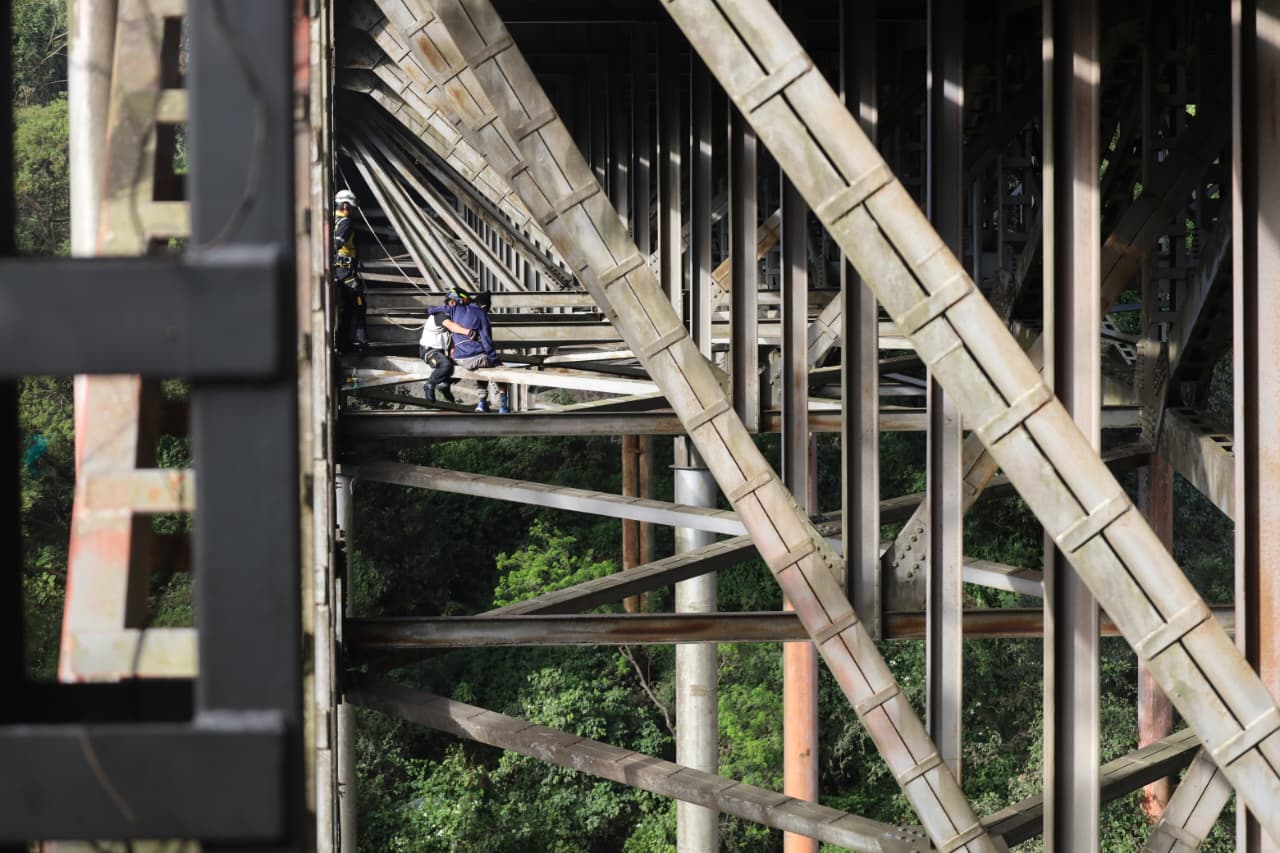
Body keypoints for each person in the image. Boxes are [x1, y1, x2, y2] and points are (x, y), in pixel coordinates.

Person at [450, 290, 509, 413]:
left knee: (482, 365)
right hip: (472, 358)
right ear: (484, 306)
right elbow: (487, 341)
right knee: (499, 371)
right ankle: (503, 406)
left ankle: (482, 403)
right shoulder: (481, 313)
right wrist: (496, 361)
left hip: (459, 358)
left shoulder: (459, 310)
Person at [418, 289, 472, 403]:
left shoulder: (451, 314)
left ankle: (444, 384)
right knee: (446, 365)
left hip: (441, 351)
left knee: (467, 362)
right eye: (462, 305)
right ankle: (430, 384)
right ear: (452, 302)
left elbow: (451, 334)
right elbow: (451, 327)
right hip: (429, 351)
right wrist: (468, 332)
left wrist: (453, 347)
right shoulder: (441, 313)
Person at [333, 189, 368, 352]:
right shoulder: (345, 222)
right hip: (345, 273)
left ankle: (343, 343)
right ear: (346, 205)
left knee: (347, 308)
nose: (352, 211)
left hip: (341, 270)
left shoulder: (332, 219)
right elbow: (337, 244)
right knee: (359, 305)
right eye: (351, 207)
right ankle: (361, 343)